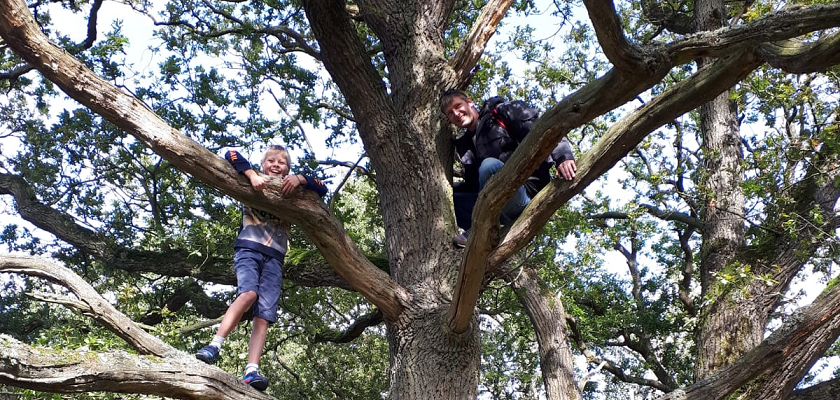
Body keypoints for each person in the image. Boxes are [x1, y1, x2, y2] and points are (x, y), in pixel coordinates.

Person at [195, 144, 327, 391]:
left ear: (288, 168)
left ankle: (251, 370)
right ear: (263, 163)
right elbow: (230, 154)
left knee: (264, 315)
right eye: (272, 161)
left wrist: (300, 178)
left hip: (275, 257)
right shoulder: (252, 180)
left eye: (282, 163)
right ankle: (214, 344)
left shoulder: (293, 190)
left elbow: (322, 186)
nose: (276, 165)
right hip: (249, 248)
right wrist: (252, 175)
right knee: (248, 294)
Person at [440, 89, 577, 246]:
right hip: (499, 211)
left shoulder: (501, 112)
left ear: (469, 102)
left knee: (489, 166)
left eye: (458, 106)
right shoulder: (465, 145)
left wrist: (563, 157)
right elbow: (474, 186)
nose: (456, 113)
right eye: (450, 113)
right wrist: (449, 189)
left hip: (524, 194)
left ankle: (478, 231)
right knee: (448, 199)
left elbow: (544, 128)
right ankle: (482, 232)